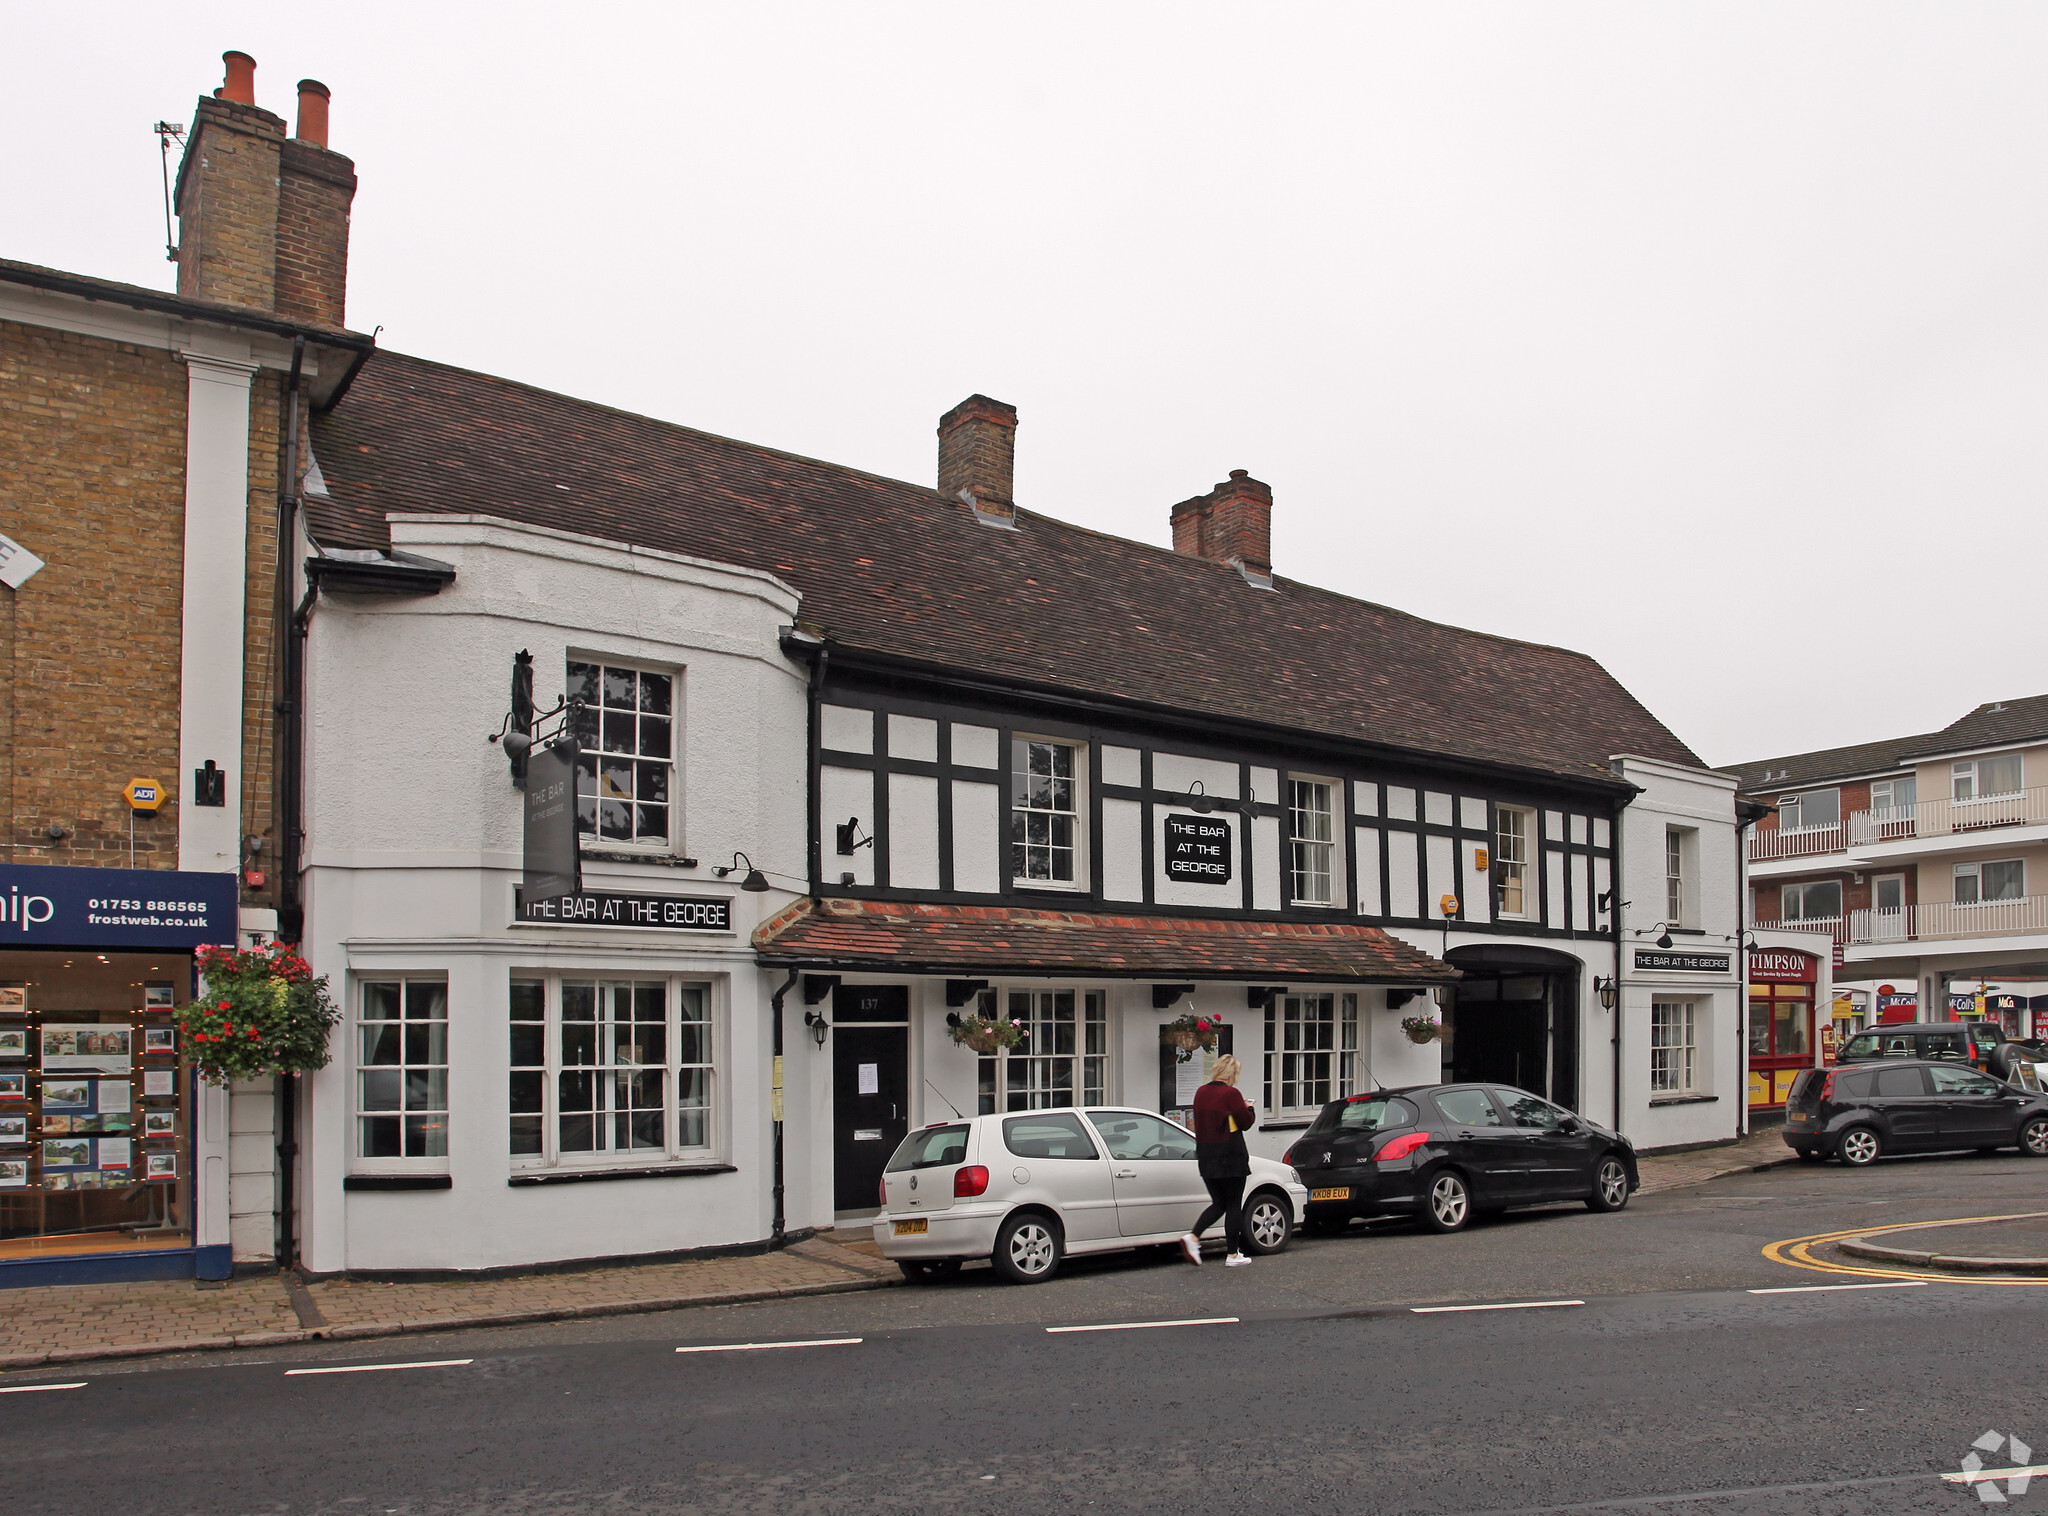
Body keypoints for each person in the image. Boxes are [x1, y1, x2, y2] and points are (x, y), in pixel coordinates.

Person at [1182, 1053, 1256, 1267]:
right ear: (1232, 1073)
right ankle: (1233, 1254)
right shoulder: (1231, 1093)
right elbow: (1245, 1122)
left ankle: (1194, 1237)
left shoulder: (1201, 1092)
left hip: (1206, 1155)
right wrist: (1249, 1108)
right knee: (1233, 1204)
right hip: (1230, 1155)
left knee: (1219, 1202)